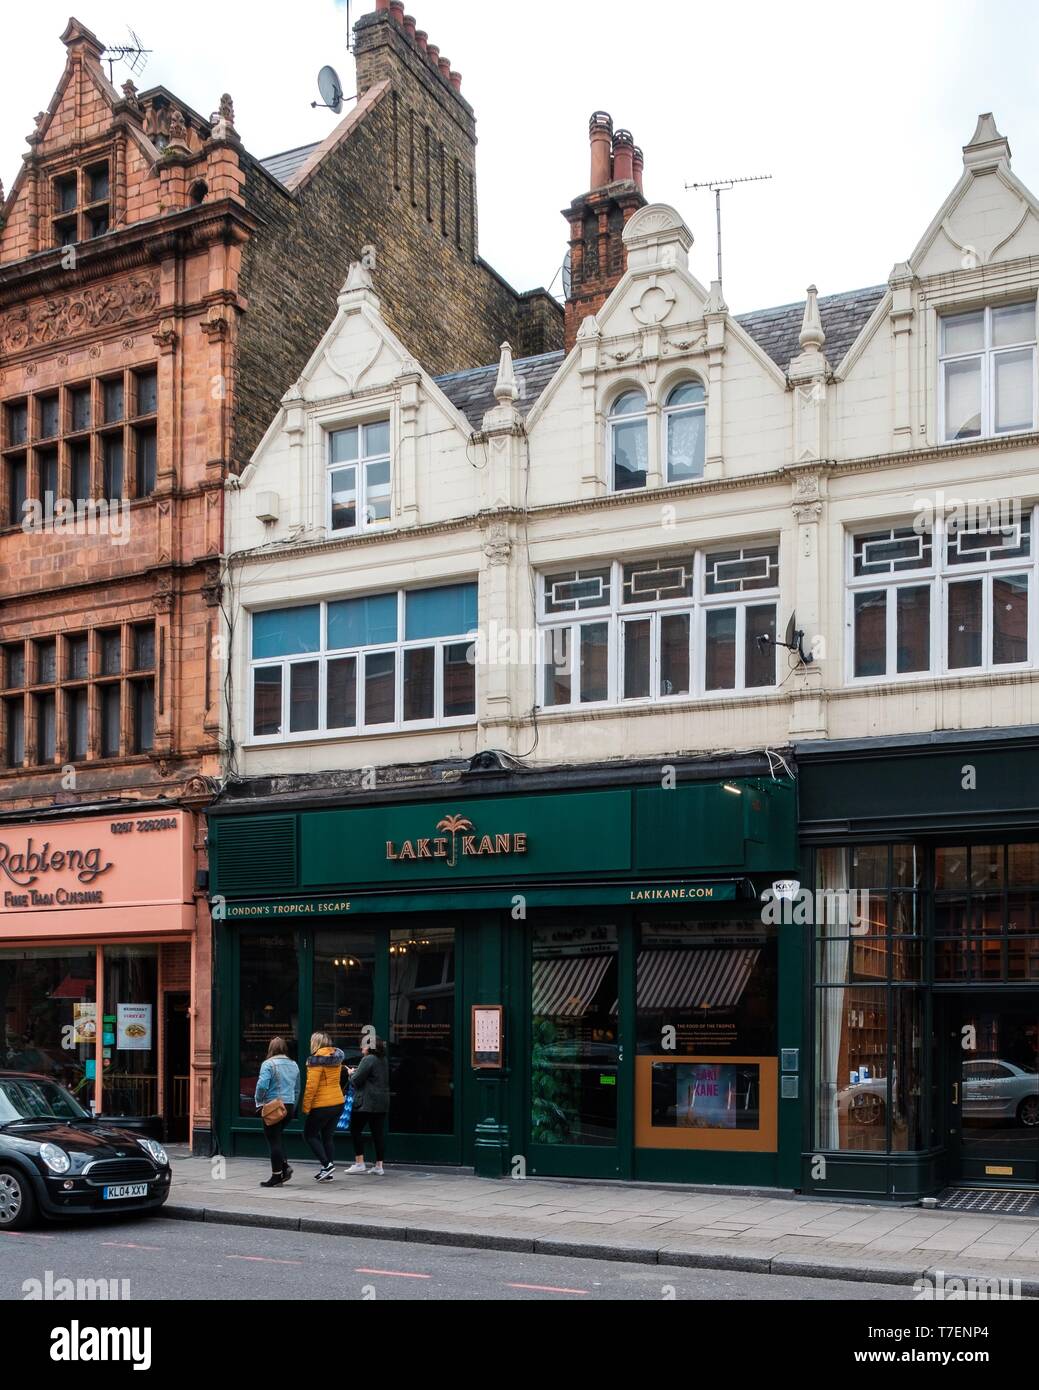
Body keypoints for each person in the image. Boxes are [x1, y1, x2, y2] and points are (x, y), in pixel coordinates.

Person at [254, 1036, 300, 1188]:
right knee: (278, 1137)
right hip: (289, 1105)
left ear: (271, 1048)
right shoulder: (294, 1064)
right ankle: (285, 1168)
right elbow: (297, 1088)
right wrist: (293, 1105)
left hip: (273, 1106)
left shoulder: (268, 1064)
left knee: (273, 1140)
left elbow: (261, 1086)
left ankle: (276, 1176)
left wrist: (259, 1102)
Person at [301, 1031, 346, 1180]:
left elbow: (311, 1087)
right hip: (338, 1102)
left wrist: (306, 1107)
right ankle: (328, 1171)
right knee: (327, 1137)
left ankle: (326, 1165)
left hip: (322, 1104)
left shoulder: (316, 1060)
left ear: (315, 1043)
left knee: (309, 1134)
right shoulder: (335, 1058)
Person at [345, 1037, 391, 1175]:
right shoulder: (383, 1060)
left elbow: (356, 1081)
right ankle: (379, 1166)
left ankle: (360, 1163)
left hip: (366, 1102)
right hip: (381, 1102)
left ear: (370, 1047)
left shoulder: (368, 1059)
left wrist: (350, 1073)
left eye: (363, 1046)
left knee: (355, 1129)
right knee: (378, 1133)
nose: (361, 1048)